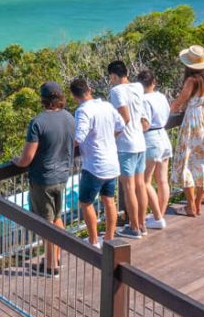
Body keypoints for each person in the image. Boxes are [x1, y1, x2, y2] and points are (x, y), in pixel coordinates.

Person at [6, 81, 76, 275]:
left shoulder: (38, 122)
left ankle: (51, 267)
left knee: (45, 224)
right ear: (60, 98)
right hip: (63, 175)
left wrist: (16, 161)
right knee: (57, 217)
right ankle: (56, 257)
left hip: (43, 179)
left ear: (43, 100)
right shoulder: (70, 117)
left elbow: (27, 158)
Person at [71, 76, 126, 243]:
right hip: (112, 162)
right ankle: (109, 239)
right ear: (89, 91)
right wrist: (108, 137)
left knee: (85, 202)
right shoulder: (107, 106)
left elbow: (79, 137)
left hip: (94, 165)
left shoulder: (83, 111)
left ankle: (93, 241)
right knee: (109, 200)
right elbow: (121, 125)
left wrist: (62, 149)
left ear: (74, 96)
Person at [170, 46, 204, 217]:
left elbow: (179, 101)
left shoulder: (192, 81)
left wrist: (168, 110)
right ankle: (197, 203)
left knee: (187, 162)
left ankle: (191, 205)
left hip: (193, 121)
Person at [105, 60, 147, 239]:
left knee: (129, 188)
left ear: (113, 76)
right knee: (140, 185)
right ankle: (142, 224)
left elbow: (125, 117)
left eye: (111, 77)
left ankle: (134, 227)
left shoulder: (116, 91)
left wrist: (110, 136)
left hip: (126, 144)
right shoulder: (138, 86)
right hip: (140, 141)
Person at [136, 67, 172, 228]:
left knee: (144, 181)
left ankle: (157, 218)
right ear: (154, 82)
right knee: (162, 180)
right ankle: (160, 215)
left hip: (150, 139)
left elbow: (145, 124)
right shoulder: (161, 97)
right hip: (163, 136)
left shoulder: (143, 100)